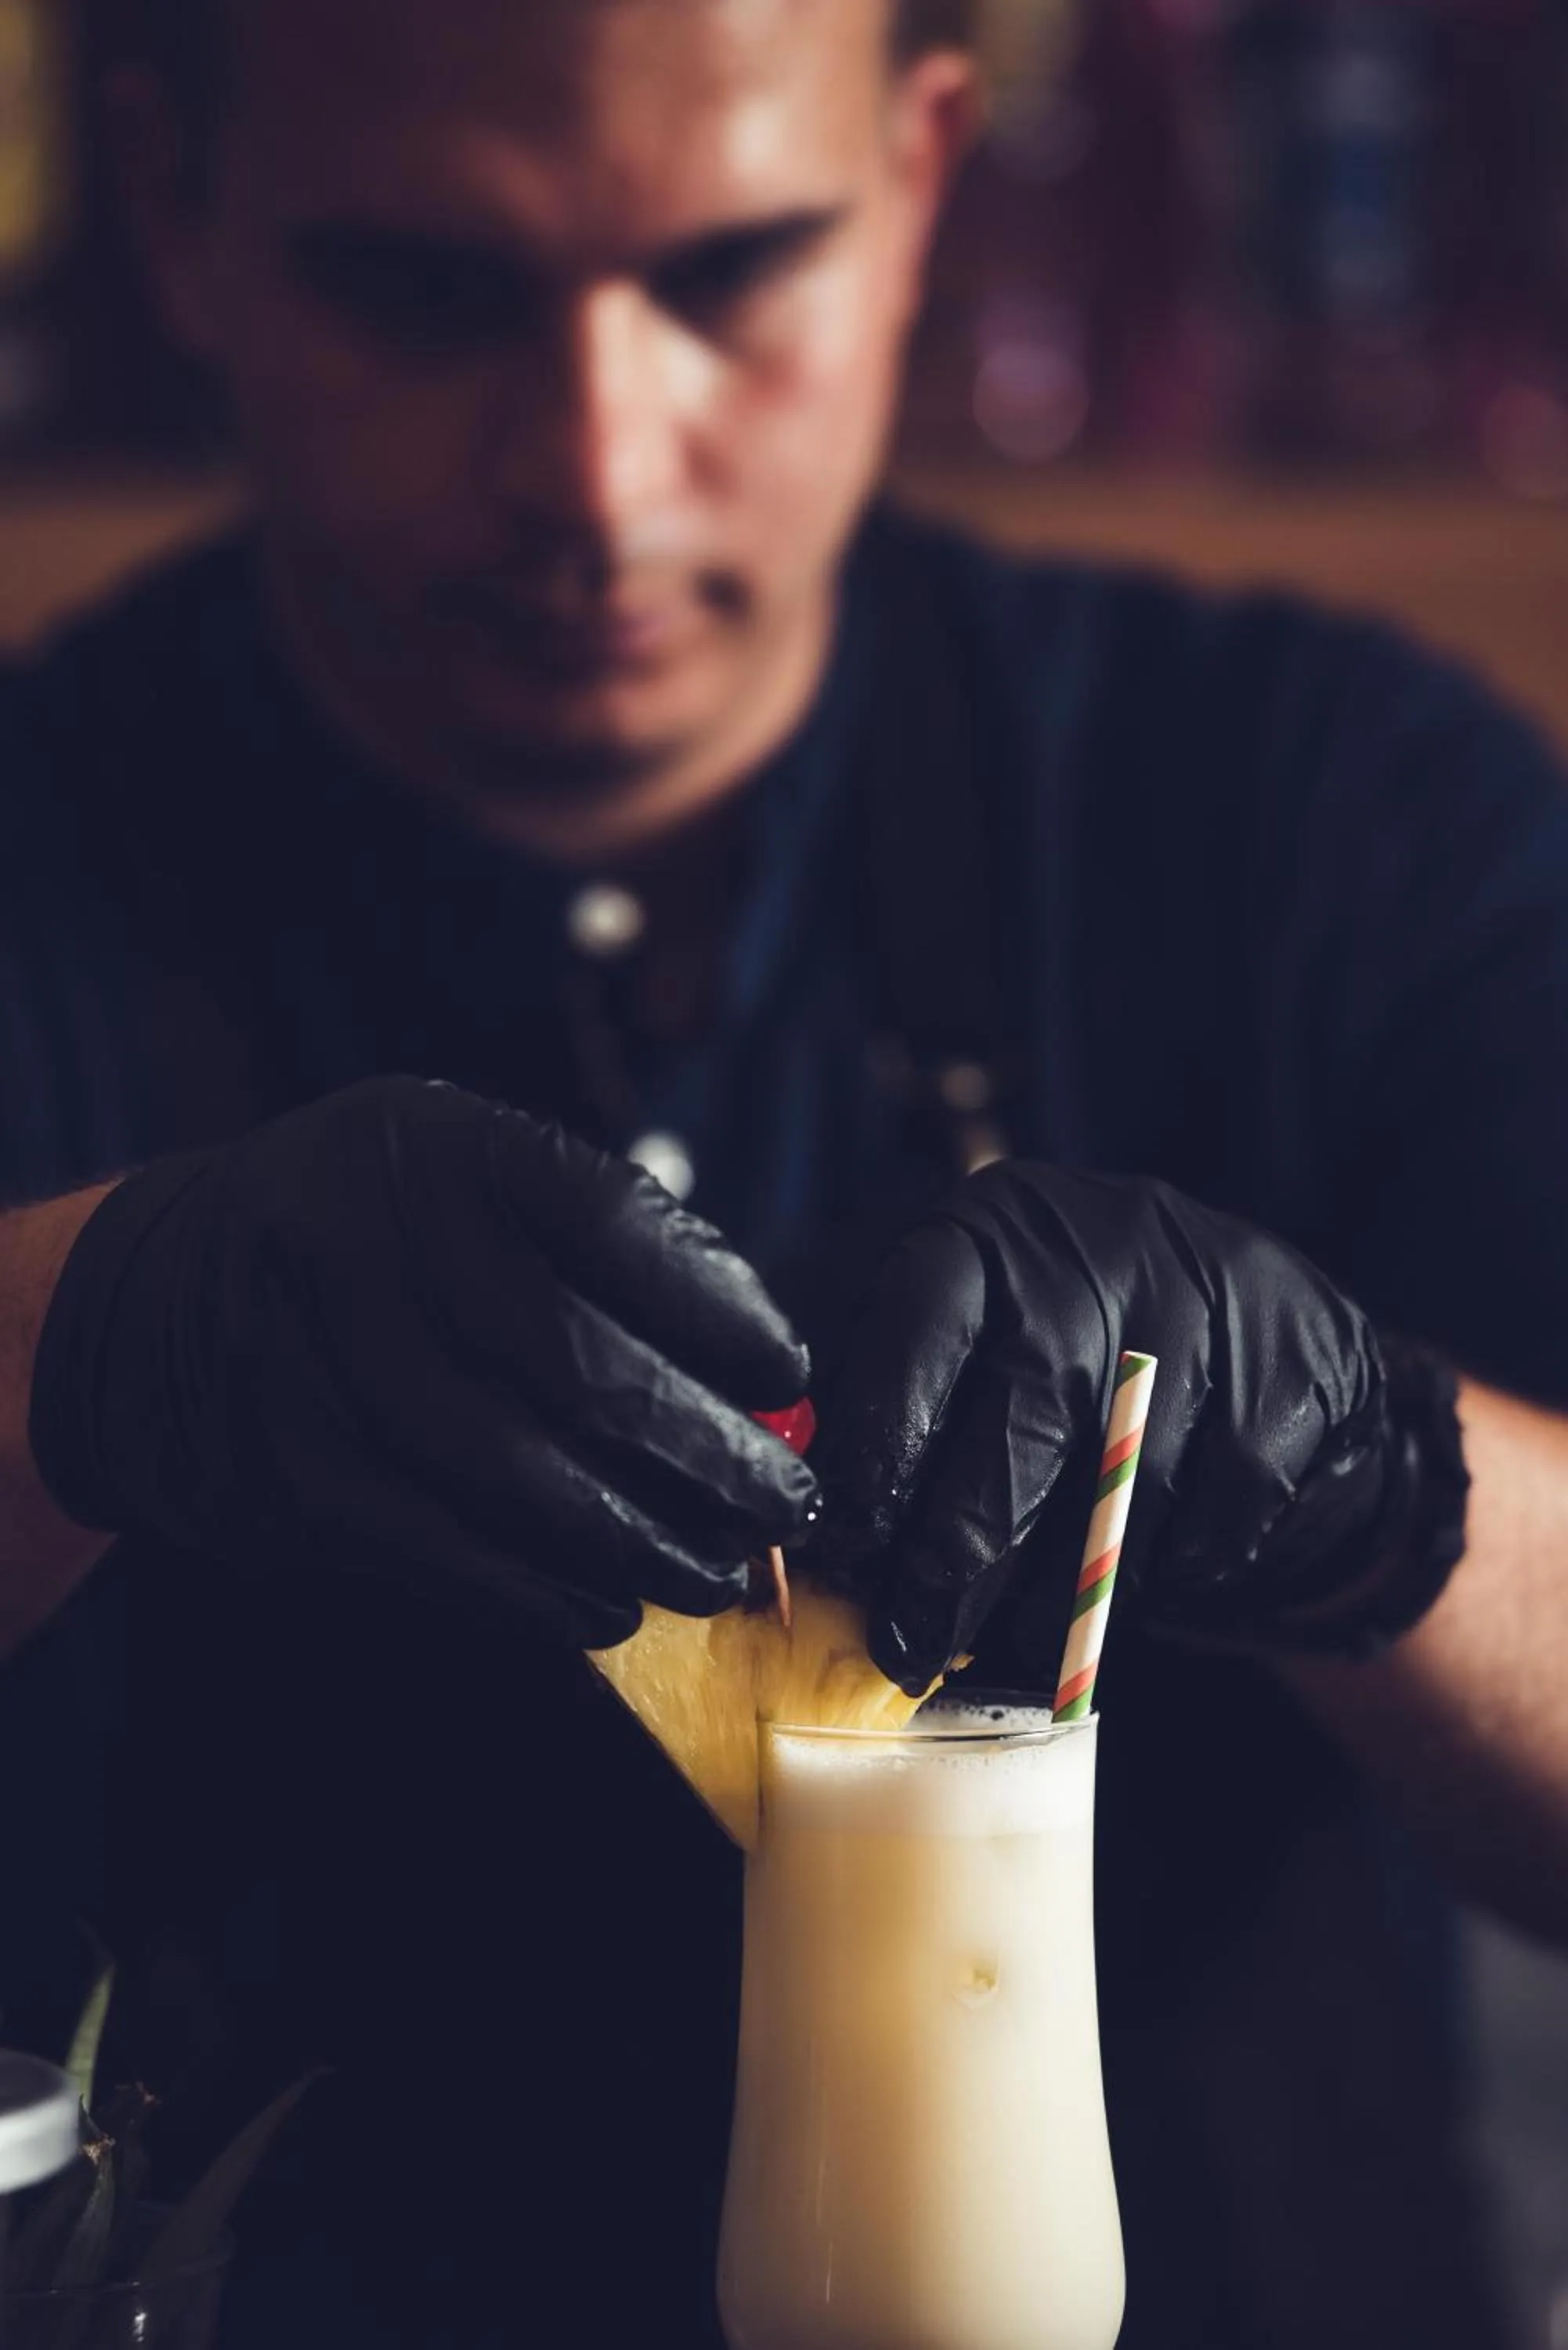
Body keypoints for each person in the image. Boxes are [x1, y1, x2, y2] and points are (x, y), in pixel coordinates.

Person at [3, 0, 1568, 2341]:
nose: (597, 473)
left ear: (927, 179)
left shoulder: (1328, 807)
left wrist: (1384, 1488)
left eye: (736, 271)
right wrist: (75, 1340)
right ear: (178, 216)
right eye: (422, 288)